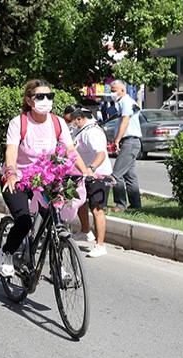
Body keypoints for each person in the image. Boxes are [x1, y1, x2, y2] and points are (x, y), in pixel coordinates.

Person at [0, 79, 92, 277]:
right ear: (29, 100)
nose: (46, 100)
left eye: (49, 96)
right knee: (24, 222)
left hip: (44, 179)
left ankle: (58, 265)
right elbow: (11, 150)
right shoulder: (19, 123)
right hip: (19, 178)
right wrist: (11, 173)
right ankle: (6, 253)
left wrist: (86, 170)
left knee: (55, 219)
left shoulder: (57, 122)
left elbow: (69, 150)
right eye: (40, 96)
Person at [64, 105, 113, 258]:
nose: (68, 124)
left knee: (96, 209)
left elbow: (101, 154)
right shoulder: (78, 130)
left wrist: (91, 168)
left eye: (70, 121)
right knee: (78, 201)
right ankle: (85, 231)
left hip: (98, 174)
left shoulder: (92, 132)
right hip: (81, 173)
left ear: (79, 118)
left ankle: (100, 245)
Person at [109, 79, 142, 212]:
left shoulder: (125, 102)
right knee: (130, 176)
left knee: (116, 175)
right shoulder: (125, 102)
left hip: (130, 142)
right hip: (131, 142)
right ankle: (135, 205)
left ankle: (120, 205)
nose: (112, 94)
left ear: (122, 90)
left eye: (114, 91)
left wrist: (116, 141)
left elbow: (125, 122)